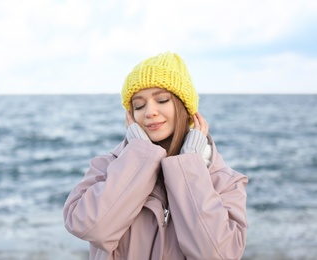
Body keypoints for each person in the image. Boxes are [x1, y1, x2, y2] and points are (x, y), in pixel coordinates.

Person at [63, 52, 248, 260]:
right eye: (139, 105)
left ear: (185, 107)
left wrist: (188, 167)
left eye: (161, 100)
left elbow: (218, 254)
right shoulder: (106, 166)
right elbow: (89, 227)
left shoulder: (225, 181)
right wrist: (140, 155)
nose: (150, 111)